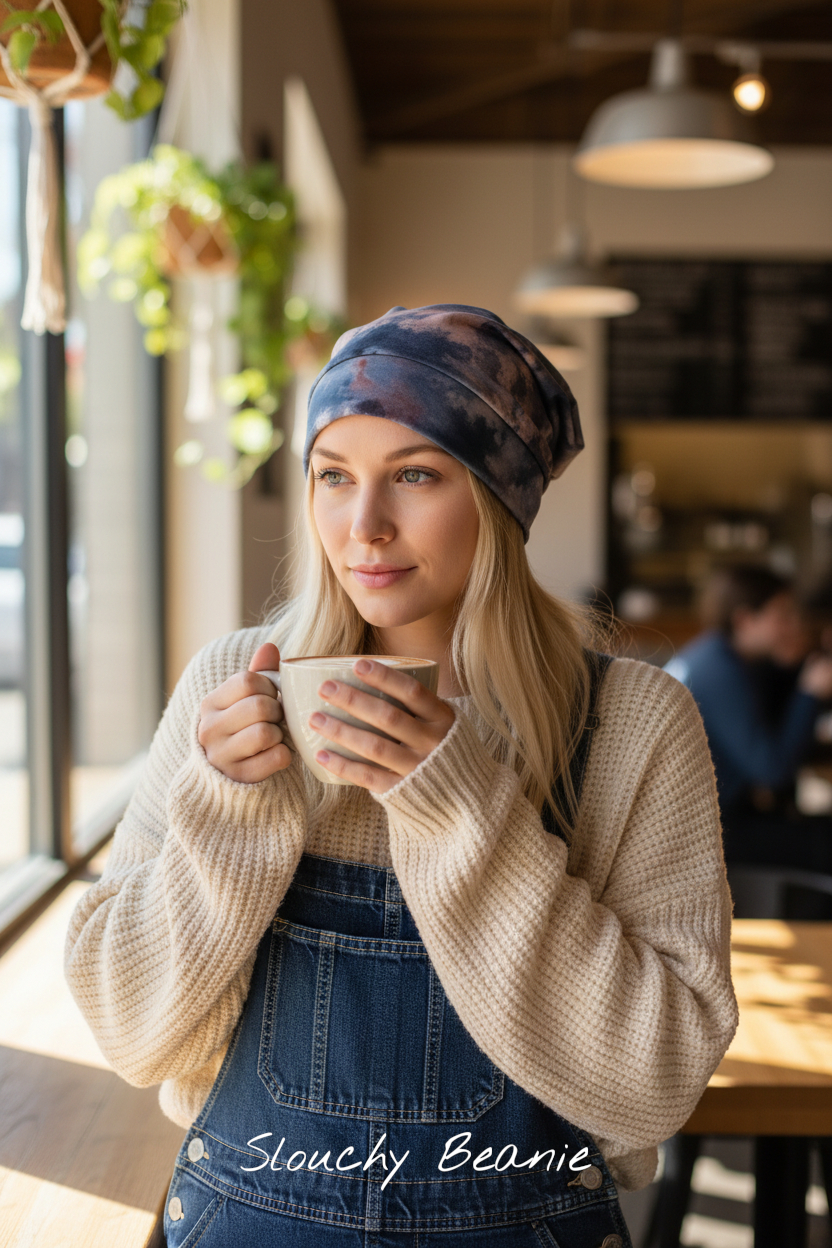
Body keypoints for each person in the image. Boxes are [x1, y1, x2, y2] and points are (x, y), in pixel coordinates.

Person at [65, 304, 737, 1248]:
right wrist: (230, 817)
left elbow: (654, 1086)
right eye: (333, 477)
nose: (364, 526)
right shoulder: (231, 682)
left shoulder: (634, 725)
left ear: (501, 499)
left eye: (415, 475)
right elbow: (133, 1032)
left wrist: (461, 808)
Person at [665, 564, 832, 874]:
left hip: (711, 821)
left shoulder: (717, 655)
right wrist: (809, 693)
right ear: (745, 619)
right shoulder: (719, 671)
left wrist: (792, 671)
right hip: (701, 837)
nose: (794, 625)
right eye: (783, 615)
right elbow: (771, 769)